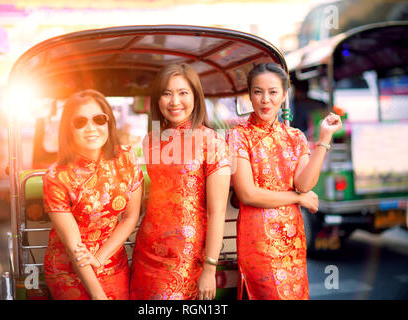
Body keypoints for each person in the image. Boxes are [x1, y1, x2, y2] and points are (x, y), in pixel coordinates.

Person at [227, 62, 342, 300]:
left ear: (284, 95)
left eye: (273, 92)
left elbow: (305, 184)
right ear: (249, 95)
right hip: (257, 242)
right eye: (258, 92)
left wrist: (324, 139)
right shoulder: (238, 136)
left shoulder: (295, 137)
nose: (265, 99)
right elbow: (248, 194)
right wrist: (298, 199)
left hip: (293, 242)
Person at [129, 63, 231, 300]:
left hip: (186, 255)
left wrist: (209, 267)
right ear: (157, 99)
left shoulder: (212, 143)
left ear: (196, 96)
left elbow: (217, 212)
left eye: (183, 93)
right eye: (166, 93)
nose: (174, 101)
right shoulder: (150, 140)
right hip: (146, 250)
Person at [42, 89, 143, 300]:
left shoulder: (126, 158)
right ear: (68, 129)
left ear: (108, 122)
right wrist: (98, 295)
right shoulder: (56, 176)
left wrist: (99, 258)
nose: (91, 128)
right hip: (68, 269)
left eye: (99, 119)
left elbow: (130, 217)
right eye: (80, 122)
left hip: (112, 263)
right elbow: (73, 247)